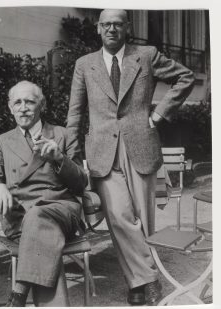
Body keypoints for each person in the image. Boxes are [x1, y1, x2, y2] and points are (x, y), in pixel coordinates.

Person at [66, 9, 195, 306]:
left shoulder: (146, 55)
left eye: (117, 24)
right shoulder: (84, 65)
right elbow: (75, 112)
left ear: (127, 28)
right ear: (98, 29)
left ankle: (136, 284)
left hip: (140, 145)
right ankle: (150, 280)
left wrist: (158, 114)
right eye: (106, 24)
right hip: (102, 151)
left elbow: (185, 78)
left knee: (143, 219)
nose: (111, 29)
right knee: (120, 218)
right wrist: (72, 154)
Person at [0, 81, 88, 306]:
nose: (23, 107)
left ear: (42, 104)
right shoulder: (2, 141)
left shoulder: (62, 135)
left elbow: (80, 184)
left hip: (61, 209)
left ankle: (18, 294)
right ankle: (20, 297)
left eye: (29, 101)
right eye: (17, 102)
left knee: (39, 219)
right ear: (10, 108)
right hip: (21, 217)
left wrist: (60, 159)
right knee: (42, 231)